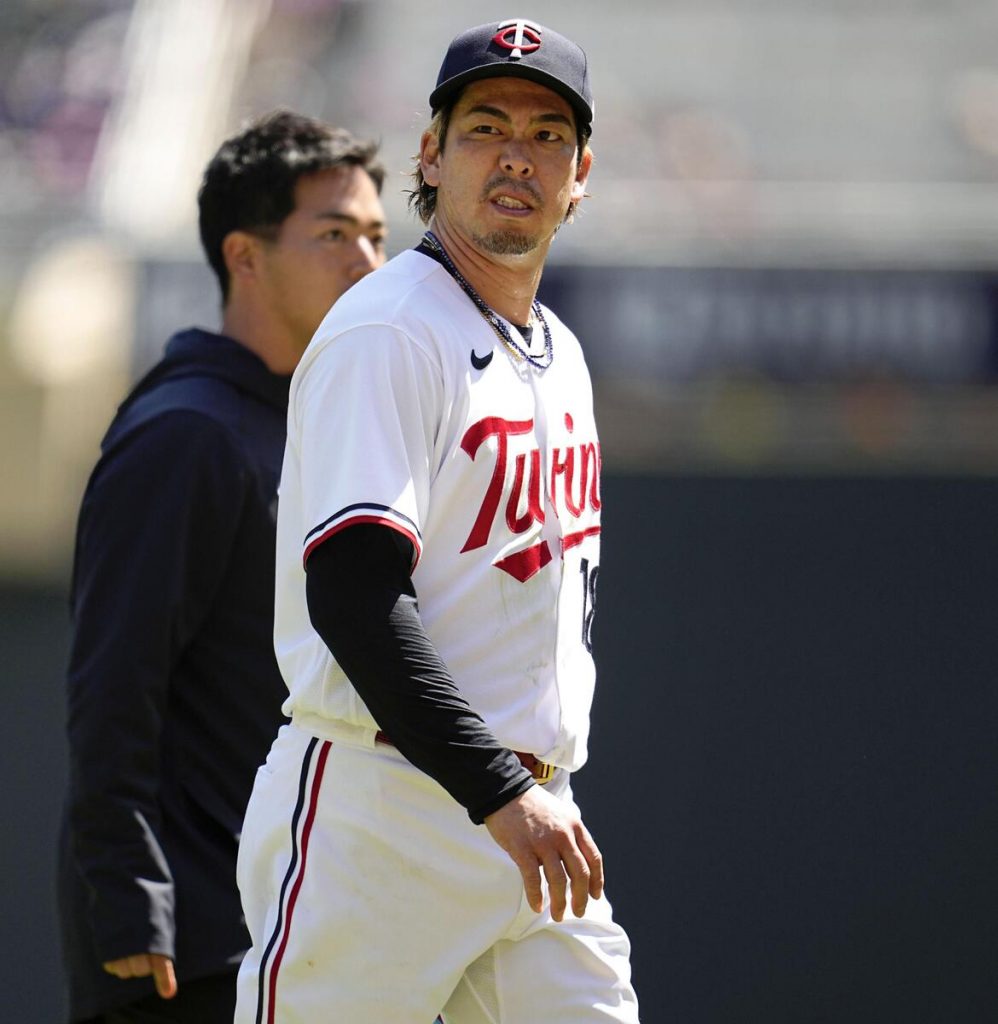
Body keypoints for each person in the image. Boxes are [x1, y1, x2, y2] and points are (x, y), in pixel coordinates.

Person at [234, 19, 640, 1024]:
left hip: (535, 821)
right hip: (384, 812)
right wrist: (496, 788)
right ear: (429, 153)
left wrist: (515, 795)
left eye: (547, 135)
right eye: (484, 127)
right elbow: (354, 597)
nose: (516, 155)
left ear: (580, 172)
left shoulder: (560, 352)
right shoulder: (389, 329)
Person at [58, 110, 387, 1023]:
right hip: (186, 953)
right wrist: (131, 905)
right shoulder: (187, 435)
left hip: (292, 929)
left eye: (375, 235)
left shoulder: (311, 424)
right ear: (245, 256)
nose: (367, 262)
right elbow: (114, 689)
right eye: (332, 235)